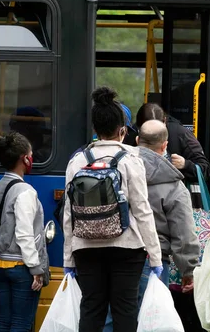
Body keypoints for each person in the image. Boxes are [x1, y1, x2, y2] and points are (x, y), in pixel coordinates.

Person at [63, 87, 162, 332]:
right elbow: (142, 210)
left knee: (91, 308)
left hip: (85, 248)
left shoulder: (77, 160)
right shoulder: (130, 160)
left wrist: (68, 258)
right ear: (123, 131)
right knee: (125, 310)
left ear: (95, 130)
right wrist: (156, 256)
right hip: (127, 249)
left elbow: (68, 213)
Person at [104, 120, 200, 331]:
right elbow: (184, 233)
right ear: (165, 146)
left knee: (111, 318)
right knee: (149, 322)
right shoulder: (173, 184)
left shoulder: (116, 168)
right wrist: (188, 270)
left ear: (137, 140)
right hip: (153, 262)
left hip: (112, 256)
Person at [0, 132, 49, 332]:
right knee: (21, 324)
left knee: (3, 321)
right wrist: (36, 269)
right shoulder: (26, 192)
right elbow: (25, 235)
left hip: (0, 264)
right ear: (25, 159)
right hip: (22, 268)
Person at [135, 103, 209, 182]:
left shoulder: (181, 135)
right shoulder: (130, 135)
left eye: (158, 130)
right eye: (148, 132)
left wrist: (185, 165)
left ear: (165, 121)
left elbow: (204, 169)